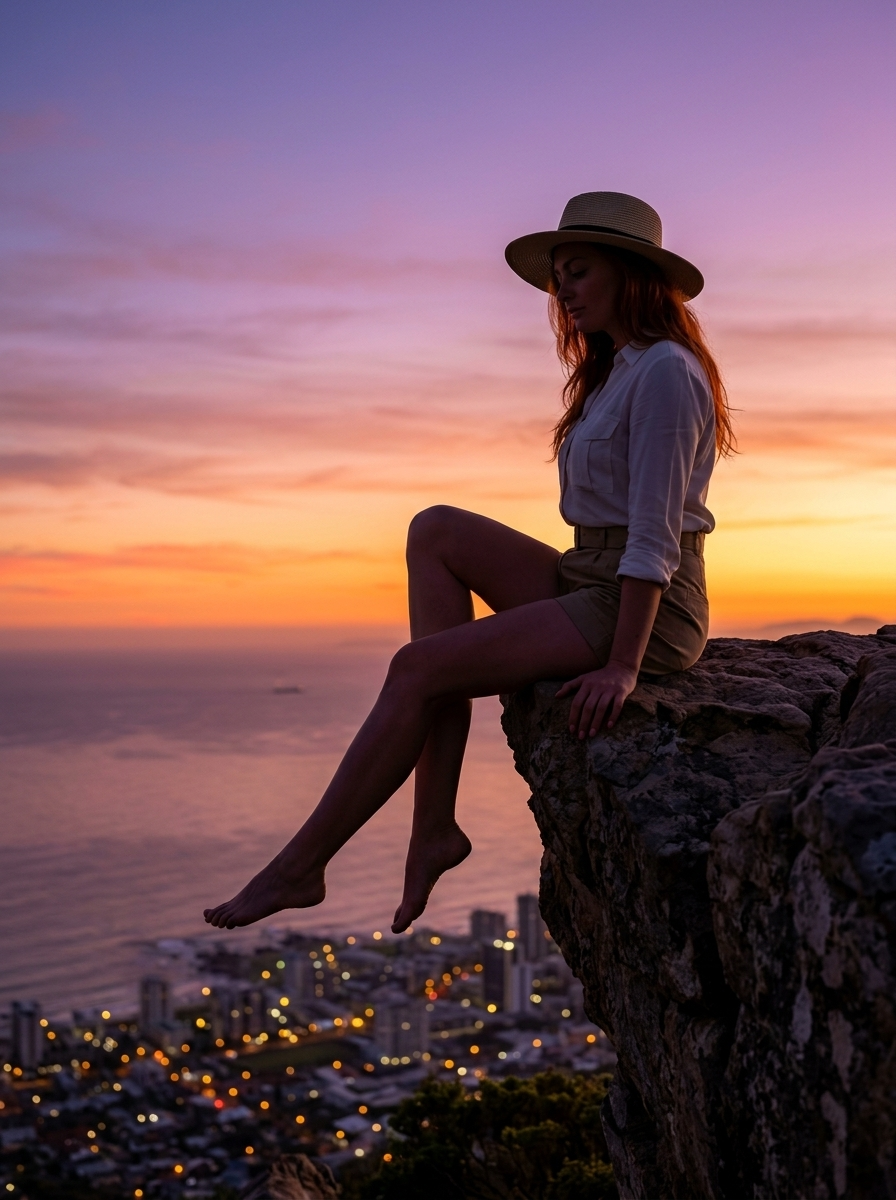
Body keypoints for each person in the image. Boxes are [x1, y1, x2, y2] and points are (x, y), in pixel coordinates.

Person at [204, 191, 734, 934]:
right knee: (436, 530)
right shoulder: (616, 370)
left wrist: (622, 666)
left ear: (629, 274)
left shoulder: (667, 372)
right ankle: (434, 829)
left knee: (415, 668)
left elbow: (653, 536)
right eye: (559, 278)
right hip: (590, 574)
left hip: (646, 600)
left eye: (578, 273)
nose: (564, 293)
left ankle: (302, 867)